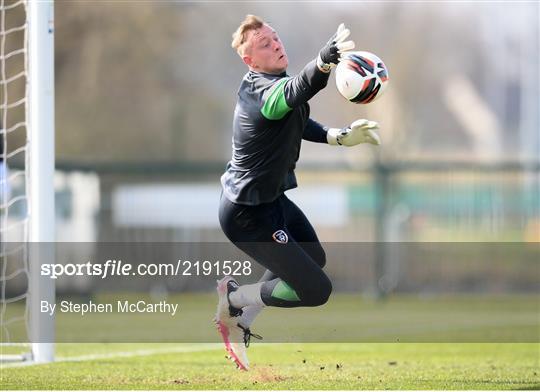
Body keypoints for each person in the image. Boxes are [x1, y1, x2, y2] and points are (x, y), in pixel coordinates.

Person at [216, 15, 381, 370]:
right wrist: (322, 63)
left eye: (275, 38)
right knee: (316, 290)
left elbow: (298, 118)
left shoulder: (275, 83)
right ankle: (235, 299)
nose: (275, 45)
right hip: (247, 216)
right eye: (264, 44)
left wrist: (338, 136)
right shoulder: (261, 92)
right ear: (250, 61)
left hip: (271, 202)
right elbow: (292, 94)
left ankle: (240, 318)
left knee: (313, 259)